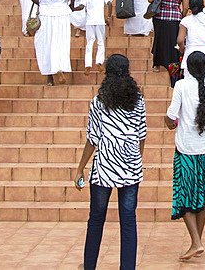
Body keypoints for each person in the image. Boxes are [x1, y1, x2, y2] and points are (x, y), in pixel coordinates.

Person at [75, 54, 147, 270]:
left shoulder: (99, 101)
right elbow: (142, 134)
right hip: (130, 165)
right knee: (128, 222)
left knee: (96, 219)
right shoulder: (138, 100)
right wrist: (137, 160)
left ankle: (89, 266)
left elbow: (93, 138)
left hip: (104, 166)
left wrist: (80, 168)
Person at [165, 51, 205, 261]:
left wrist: (170, 123)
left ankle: (197, 242)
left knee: (184, 195)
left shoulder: (181, 86)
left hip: (186, 149)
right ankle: (196, 241)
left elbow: (170, 117)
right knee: (203, 199)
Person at [30, 0, 77, 85]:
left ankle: (50, 77)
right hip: (61, 14)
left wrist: (42, 4)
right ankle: (59, 67)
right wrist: (71, 5)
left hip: (45, 15)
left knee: (46, 44)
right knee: (60, 43)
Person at [147, 0, 188, 74]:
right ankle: (174, 66)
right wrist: (181, 16)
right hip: (175, 19)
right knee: (173, 42)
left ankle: (156, 65)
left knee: (159, 40)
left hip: (159, 18)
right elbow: (186, 8)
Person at [178, 0, 205, 88]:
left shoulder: (186, 21)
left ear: (190, 7)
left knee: (191, 87)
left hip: (191, 54)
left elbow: (180, 40)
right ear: (203, 6)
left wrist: (182, 49)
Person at [74, 0, 112, 76]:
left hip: (90, 22)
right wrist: (108, 17)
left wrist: (73, 8)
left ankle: (88, 65)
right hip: (100, 22)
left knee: (89, 43)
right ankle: (99, 62)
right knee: (100, 42)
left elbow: (81, 7)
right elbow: (110, 3)